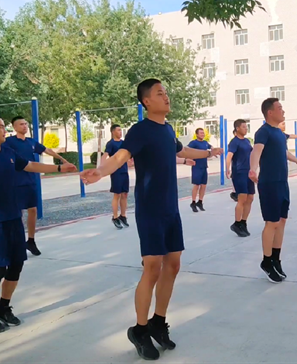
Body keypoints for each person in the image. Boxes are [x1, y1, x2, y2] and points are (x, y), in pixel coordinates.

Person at [80, 78, 223, 361]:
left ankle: (159, 321)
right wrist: (101, 171)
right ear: (146, 101)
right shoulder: (140, 130)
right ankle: (140, 329)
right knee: (153, 267)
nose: (166, 96)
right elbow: (121, 156)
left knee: (174, 264)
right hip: (150, 209)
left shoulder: (168, 130)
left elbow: (181, 151)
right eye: (160, 93)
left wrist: (209, 152)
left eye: (166, 92)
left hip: (171, 208)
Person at [0, 113, 76, 333]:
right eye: (1, 127)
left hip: (13, 218)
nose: (5, 130)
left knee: (16, 266)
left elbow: (30, 166)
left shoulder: (8, 153)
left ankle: (4, 307)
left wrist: (60, 168)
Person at [249, 99, 297, 283]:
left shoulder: (280, 134)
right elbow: (256, 152)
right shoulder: (263, 131)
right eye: (280, 108)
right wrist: (253, 169)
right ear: (270, 112)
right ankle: (266, 261)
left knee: (282, 221)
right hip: (269, 183)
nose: (283, 111)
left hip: (282, 183)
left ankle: (276, 259)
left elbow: (284, 153)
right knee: (272, 222)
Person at [4, 116, 70, 256]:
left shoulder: (31, 142)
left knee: (33, 209)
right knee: (17, 213)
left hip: (31, 181)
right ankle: (17, 242)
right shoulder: (9, 142)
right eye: (21, 124)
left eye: (25, 124)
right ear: (14, 127)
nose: (24, 126)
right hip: (15, 182)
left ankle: (31, 240)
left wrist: (62, 159)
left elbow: (47, 150)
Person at [226, 119, 254, 237]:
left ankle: (243, 222)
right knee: (242, 198)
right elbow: (229, 156)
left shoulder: (247, 141)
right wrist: (227, 169)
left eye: (246, 127)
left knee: (250, 198)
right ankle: (237, 223)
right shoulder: (234, 142)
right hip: (239, 173)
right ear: (237, 128)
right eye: (243, 127)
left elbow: (252, 154)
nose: (246, 129)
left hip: (248, 172)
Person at [103, 124, 133, 229]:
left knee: (125, 194)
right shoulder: (111, 144)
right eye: (118, 130)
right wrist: (101, 169)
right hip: (116, 172)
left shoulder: (123, 143)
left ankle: (123, 216)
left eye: (121, 130)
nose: (120, 132)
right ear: (113, 132)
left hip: (124, 171)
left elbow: (128, 154)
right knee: (117, 194)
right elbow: (105, 156)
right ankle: (115, 217)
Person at [187, 128, 212, 212]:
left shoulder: (205, 143)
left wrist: (215, 151)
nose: (202, 134)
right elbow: (186, 150)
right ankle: (193, 202)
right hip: (196, 166)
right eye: (201, 133)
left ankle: (200, 201)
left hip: (204, 166)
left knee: (203, 185)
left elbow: (211, 148)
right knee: (196, 185)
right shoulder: (194, 143)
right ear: (197, 134)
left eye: (203, 133)